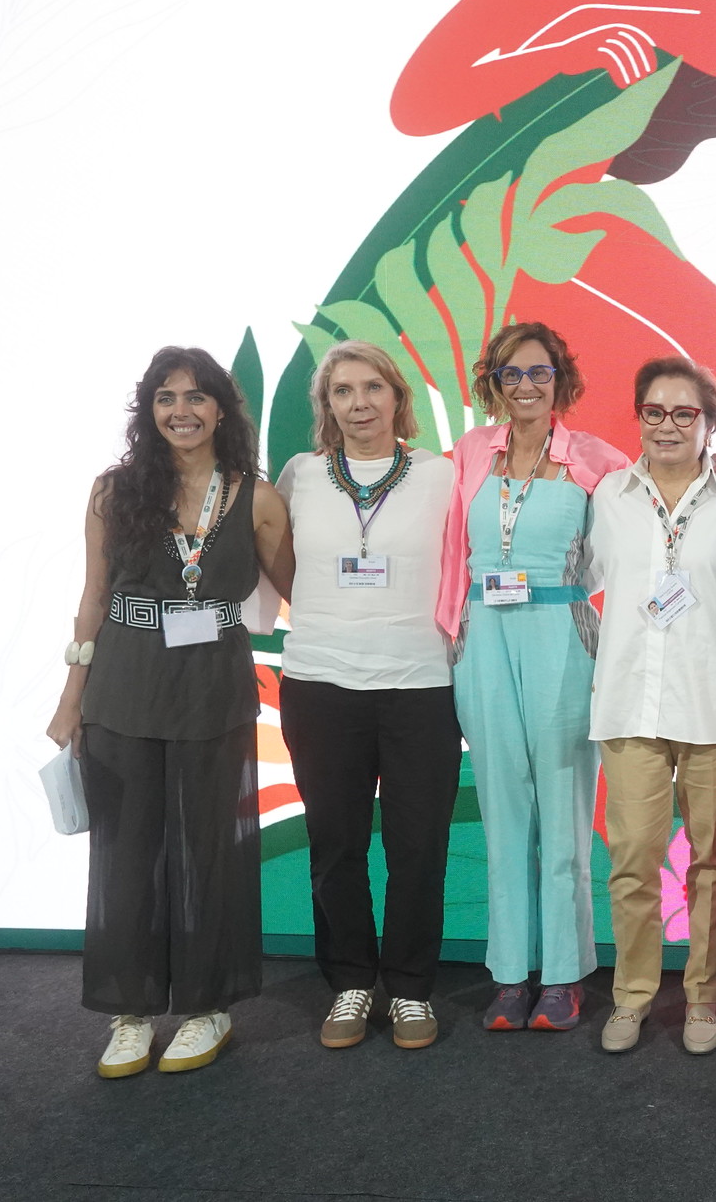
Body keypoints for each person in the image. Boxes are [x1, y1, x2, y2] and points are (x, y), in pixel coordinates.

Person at [45, 346, 294, 1077]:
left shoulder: (256, 494)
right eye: (164, 396)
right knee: (125, 852)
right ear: (148, 410)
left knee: (209, 848)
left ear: (221, 409)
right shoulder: (113, 490)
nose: (180, 409)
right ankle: (130, 1010)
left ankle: (208, 1006)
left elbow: (301, 590)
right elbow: (92, 597)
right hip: (123, 681)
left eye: (195, 396)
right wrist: (70, 697)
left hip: (213, 685)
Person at [437, 321, 628, 1033]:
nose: (524, 385)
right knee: (504, 810)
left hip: (563, 631)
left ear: (560, 379)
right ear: (492, 380)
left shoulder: (595, 458)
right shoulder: (466, 456)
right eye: (510, 373)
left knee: (564, 810)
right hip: (483, 636)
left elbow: (646, 522)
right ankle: (511, 973)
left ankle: (565, 974)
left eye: (538, 372)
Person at [275, 342, 459, 1052]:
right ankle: (351, 981)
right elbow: (279, 562)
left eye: (372, 386)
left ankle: (411, 988)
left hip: (419, 683)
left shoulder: (443, 475)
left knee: (418, 847)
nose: (359, 402)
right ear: (327, 405)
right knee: (336, 844)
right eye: (343, 390)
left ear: (397, 395)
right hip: (320, 682)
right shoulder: (302, 475)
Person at [584, 357, 716, 1057]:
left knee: (712, 860)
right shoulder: (609, 496)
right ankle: (632, 995)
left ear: (711, 422)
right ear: (640, 417)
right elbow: (582, 585)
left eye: (686, 413)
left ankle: (705, 995)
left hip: (711, 701)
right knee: (633, 859)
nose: (669, 425)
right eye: (655, 411)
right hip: (629, 704)